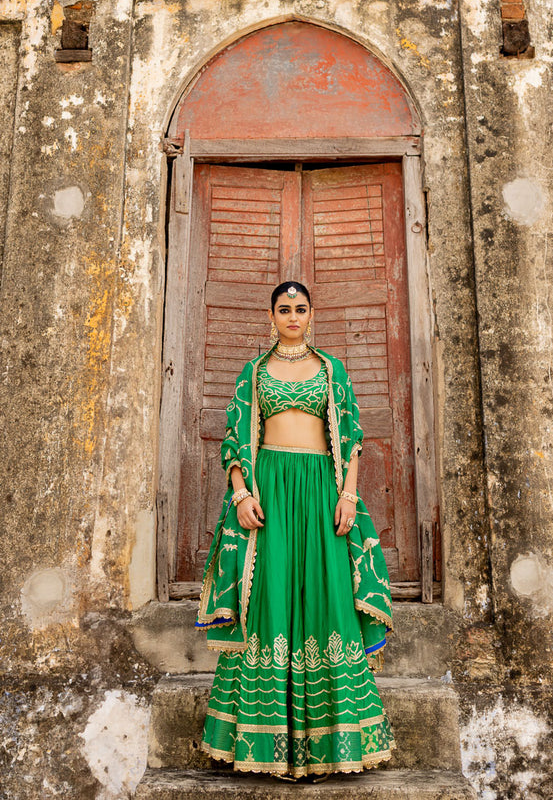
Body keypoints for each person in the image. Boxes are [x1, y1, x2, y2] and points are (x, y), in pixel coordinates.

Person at [196, 280, 396, 779]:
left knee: (327, 596)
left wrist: (348, 494)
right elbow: (234, 437)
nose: (292, 316)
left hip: (320, 491)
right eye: (283, 309)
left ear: (311, 315)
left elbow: (350, 436)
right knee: (268, 597)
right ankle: (264, 745)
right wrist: (241, 493)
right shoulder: (254, 372)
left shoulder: (331, 370)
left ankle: (335, 745)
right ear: (271, 316)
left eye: (300, 309)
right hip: (270, 492)